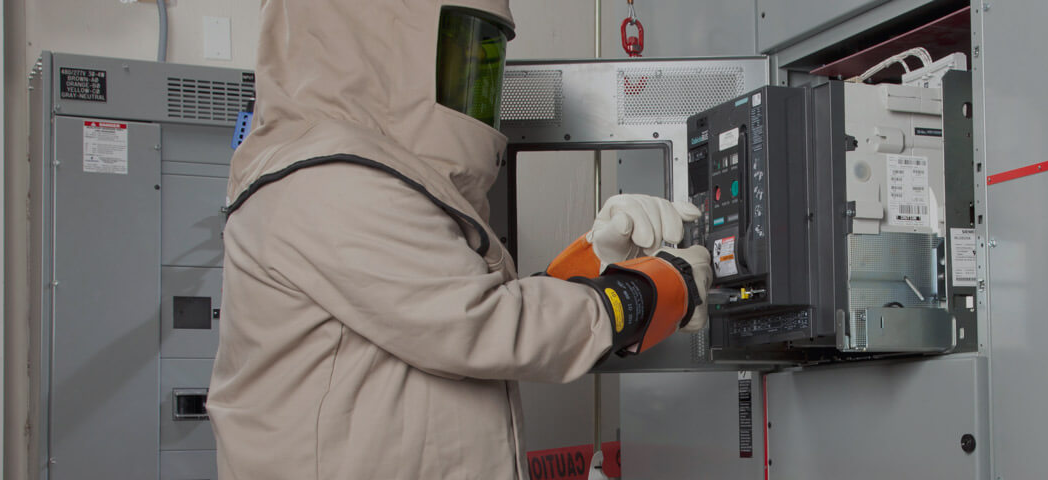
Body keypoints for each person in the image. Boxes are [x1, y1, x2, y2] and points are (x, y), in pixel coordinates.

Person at [207, 1, 712, 478]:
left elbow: (451, 306)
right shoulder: (328, 178)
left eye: (484, 55)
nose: (471, 83)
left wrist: (596, 264)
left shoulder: (357, 175)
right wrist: (662, 286)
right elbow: (485, 325)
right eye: (455, 51)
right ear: (374, 47)